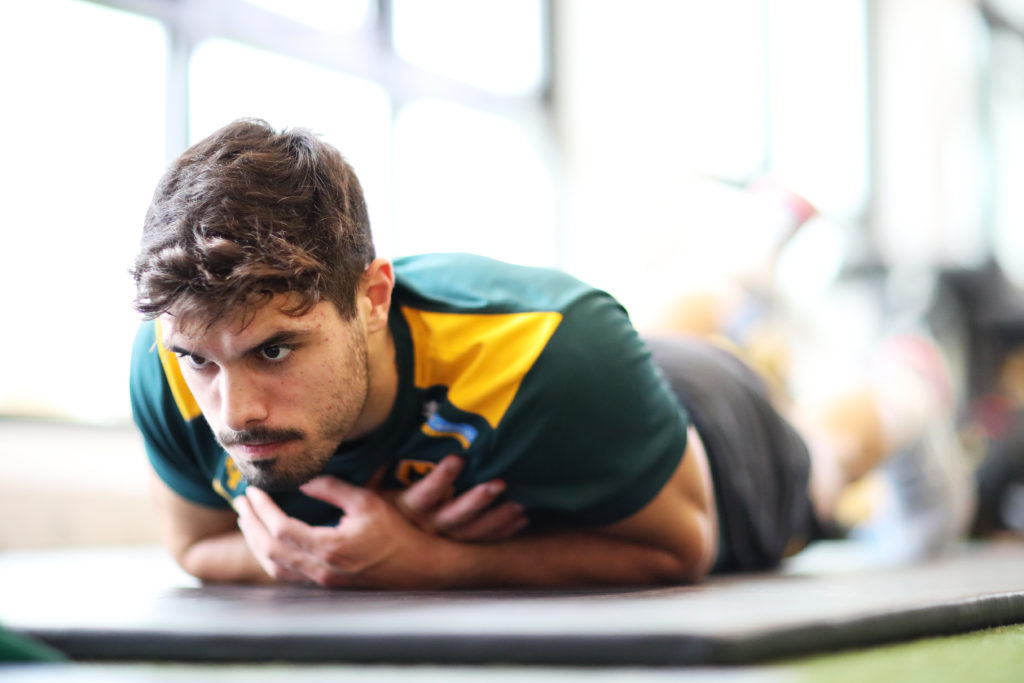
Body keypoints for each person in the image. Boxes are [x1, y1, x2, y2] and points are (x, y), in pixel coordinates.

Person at [129, 119, 900, 589]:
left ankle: (909, 379)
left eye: (274, 349)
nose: (234, 411)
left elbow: (684, 547)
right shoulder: (172, 352)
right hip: (599, 380)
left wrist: (428, 562)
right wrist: (337, 552)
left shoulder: (564, 349)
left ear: (370, 299)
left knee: (821, 459)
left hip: (712, 435)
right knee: (673, 320)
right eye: (202, 361)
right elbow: (197, 546)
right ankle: (745, 254)